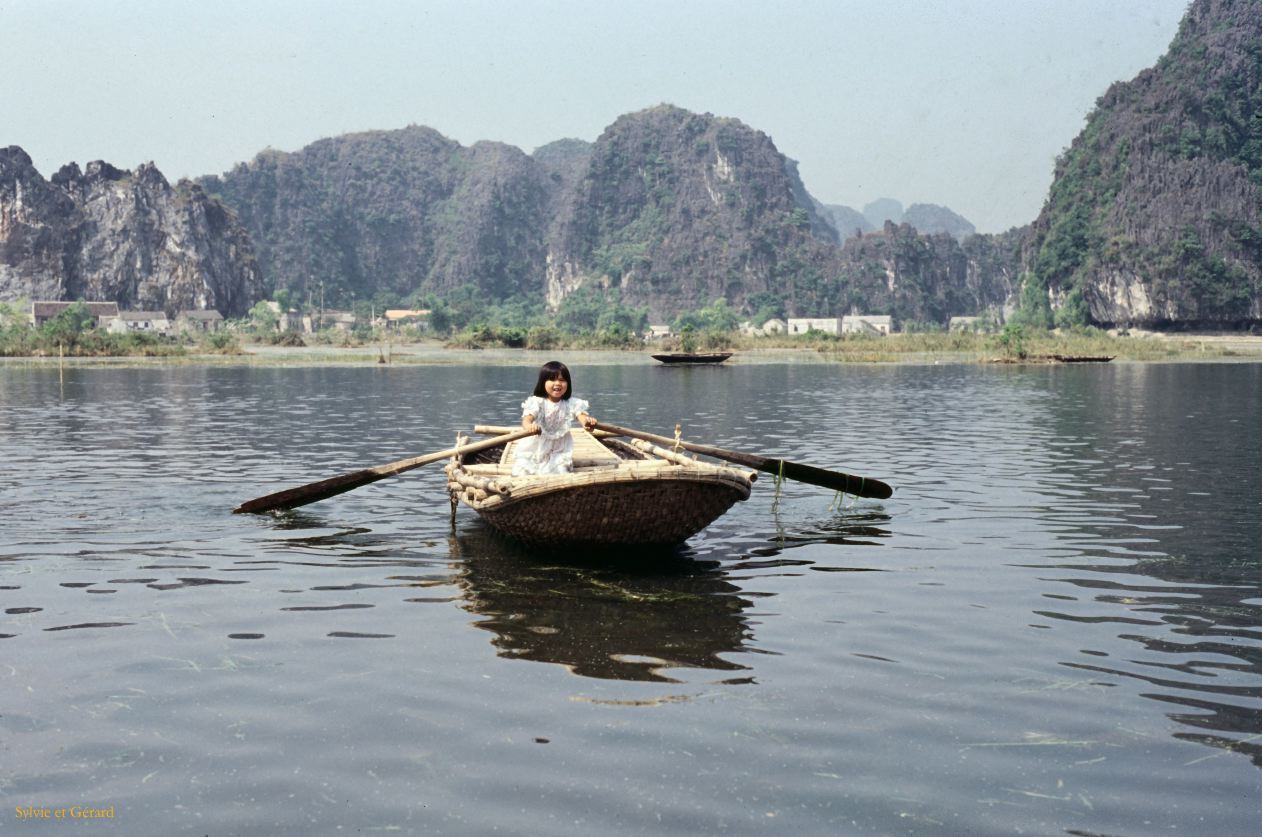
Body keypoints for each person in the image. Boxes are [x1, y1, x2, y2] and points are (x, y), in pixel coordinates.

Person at [512, 361, 598, 476]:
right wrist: (530, 427)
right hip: (536, 446)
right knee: (522, 471)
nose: (557, 383)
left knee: (559, 471)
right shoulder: (537, 402)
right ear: (543, 383)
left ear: (568, 383)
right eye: (552, 379)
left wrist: (588, 422)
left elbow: (582, 417)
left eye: (562, 380)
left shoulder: (572, 403)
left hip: (559, 449)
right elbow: (526, 420)